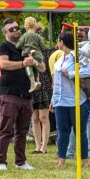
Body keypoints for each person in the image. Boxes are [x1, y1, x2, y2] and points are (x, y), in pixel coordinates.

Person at [0, 18, 45, 171]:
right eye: (11, 29)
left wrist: (33, 60)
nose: (16, 31)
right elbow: (3, 64)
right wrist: (24, 63)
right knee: (6, 130)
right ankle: (1, 162)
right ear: (5, 33)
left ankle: (20, 162)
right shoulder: (4, 46)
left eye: (17, 27)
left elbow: (42, 68)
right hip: (9, 94)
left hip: (27, 96)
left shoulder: (27, 45)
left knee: (22, 131)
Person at [50, 32, 90, 168]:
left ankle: (85, 160)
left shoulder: (77, 56)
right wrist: (53, 99)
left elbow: (89, 71)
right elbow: (56, 82)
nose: (57, 43)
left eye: (58, 41)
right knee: (62, 131)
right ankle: (61, 160)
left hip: (77, 100)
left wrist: (71, 74)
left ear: (62, 42)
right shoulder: (60, 59)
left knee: (80, 131)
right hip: (60, 101)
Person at [30, 22, 52, 154]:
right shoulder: (29, 52)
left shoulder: (46, 52)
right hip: (33, 85)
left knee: (44, 117)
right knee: (34, 118)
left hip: (44, 85)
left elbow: (49, 70)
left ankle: (44, 146)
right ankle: (37, 146)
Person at [18, 16, 47, 93]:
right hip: (38, 54)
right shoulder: (38, 36)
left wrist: (18, 46)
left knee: (28, 66)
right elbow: (43, 46)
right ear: (35, 26)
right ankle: (37, 80)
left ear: (25, 26)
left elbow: (19, 44)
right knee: (35, 67)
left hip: (29, 53)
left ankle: (32, 83)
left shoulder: (24, 36)